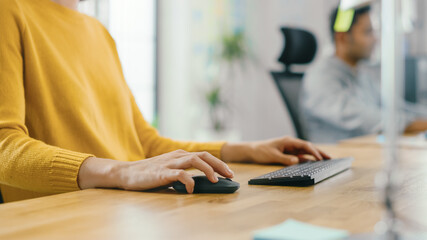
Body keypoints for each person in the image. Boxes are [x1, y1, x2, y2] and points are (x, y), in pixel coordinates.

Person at [0, 0, 330, 203]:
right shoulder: (9, 11)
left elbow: (145, 143)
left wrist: (246, 150)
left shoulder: (99, 32)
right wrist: (122, 171)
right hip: (66, 217)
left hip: (123, 207)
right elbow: (4, 145)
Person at [301, 5, 427, 143]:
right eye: (367, 32)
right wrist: (415, 124)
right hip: (338, 158)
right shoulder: (320, 77)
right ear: (342, 37)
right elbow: (366, 119)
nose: (375, 40)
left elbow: (396, 107)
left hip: (367, 153)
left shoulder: (362, 75)